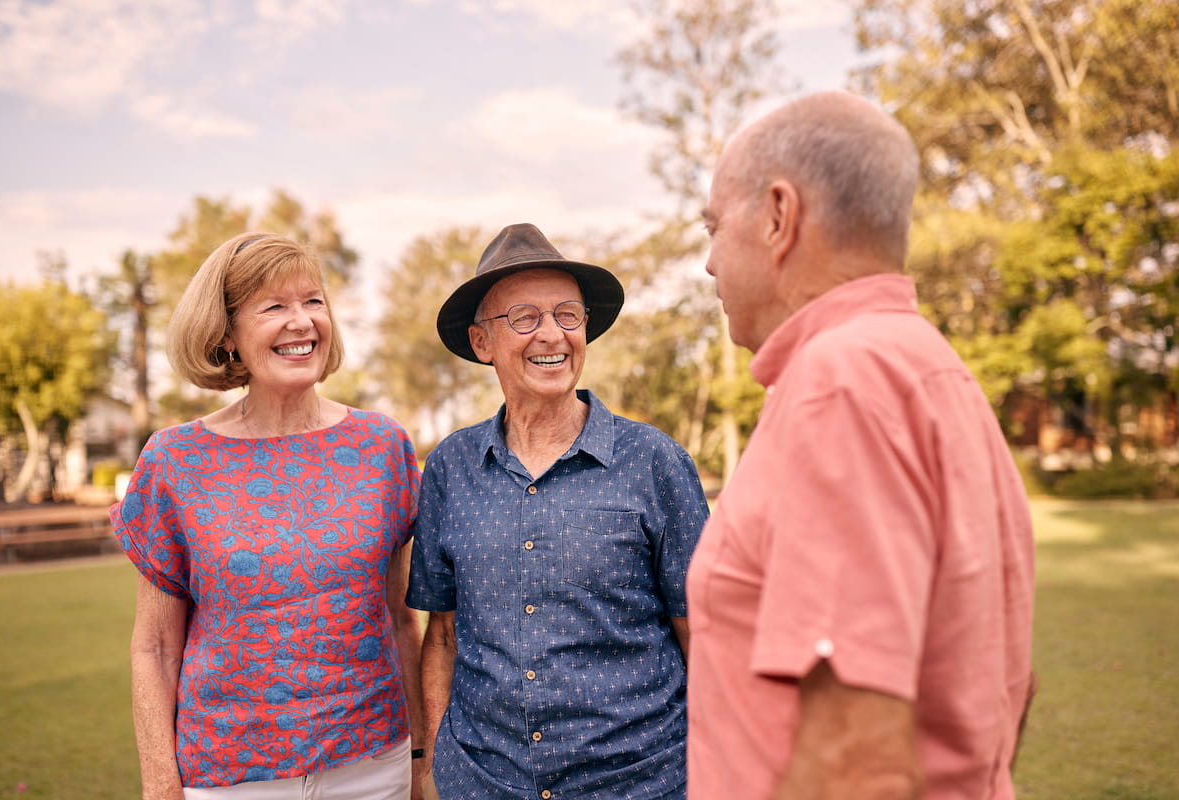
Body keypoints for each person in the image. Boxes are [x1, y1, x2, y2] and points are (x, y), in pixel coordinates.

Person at [686, 91, 1036, 799]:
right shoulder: (929, 367)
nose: (710, 264)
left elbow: (856, 759)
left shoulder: (841, 381)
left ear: (779, 217)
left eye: (715, 227)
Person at [111, 233, 426, 800]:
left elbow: (402, 620)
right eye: (275, 306)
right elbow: (154, 646)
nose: (301, 321)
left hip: (375, 765)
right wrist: (161, 785)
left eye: (313, 301)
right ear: (226, 333)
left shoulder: (383, 445)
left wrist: (422, 759)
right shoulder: (175, 460)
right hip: (228, 775)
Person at [408, 223, 708, 800]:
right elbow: (440, 633)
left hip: (640, 783)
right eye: (524, 318)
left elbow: (704, 634)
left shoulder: (655, 462)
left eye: (568, 315)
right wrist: (432, 767)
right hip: (481, 783)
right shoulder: (450, 467)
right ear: (481, 342)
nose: (552, 334)